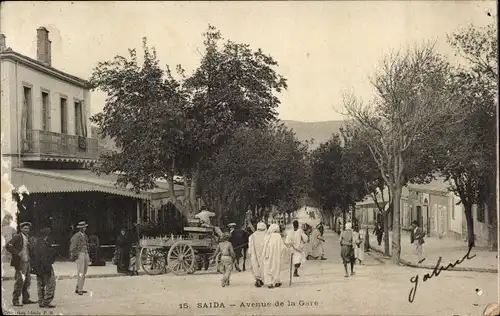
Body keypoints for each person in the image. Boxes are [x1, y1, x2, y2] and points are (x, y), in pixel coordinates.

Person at [5, 222, 36, 306]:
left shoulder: (28, 237)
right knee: (20, 281)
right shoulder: (17, 236)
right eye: (25, 228)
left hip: (27, 261)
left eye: (28, 228)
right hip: (20, 262)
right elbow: (8, 245)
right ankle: (15, 300)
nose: (26, 230)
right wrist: (17, 253)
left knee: (27, 281)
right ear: (21, 229)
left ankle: (26, 299)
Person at [31, 227, 56, 308]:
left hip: (38, 268)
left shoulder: (37, 243)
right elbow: (45, 257)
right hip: (45, 267)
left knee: (40, 285)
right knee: (51, 284)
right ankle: (47, 301)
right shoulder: (44, 244)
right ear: (47, 235)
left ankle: (41, 301)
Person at [262, 224, 286, 289]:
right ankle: (276, 281)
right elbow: (282, 247)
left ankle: (270, 283)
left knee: (268, 268)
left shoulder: (267, 236)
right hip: (276, 256)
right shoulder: (278, 236)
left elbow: (264, 246)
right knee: (276, 268)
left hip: (268, 255)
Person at [70, 221, 90, 295]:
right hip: (80, 254)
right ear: (80, 228)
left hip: (85, 253)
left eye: (85, 227)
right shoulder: (76, 236)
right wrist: (76, 254)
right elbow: (72, 247)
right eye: (83, 227)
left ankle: (79, 287)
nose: (84, 228)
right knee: (81, 272)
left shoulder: (84, 235)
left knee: (84, 271)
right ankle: (79, 289)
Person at [248, 222, 267, 287]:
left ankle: (257, 279)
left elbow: (250, 247)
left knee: (255, 265)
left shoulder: (252, 236)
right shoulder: (267, 235)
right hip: (264, 254)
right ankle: (261, 279)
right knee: (263, 266)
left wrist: (250, 253)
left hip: (254, 254)